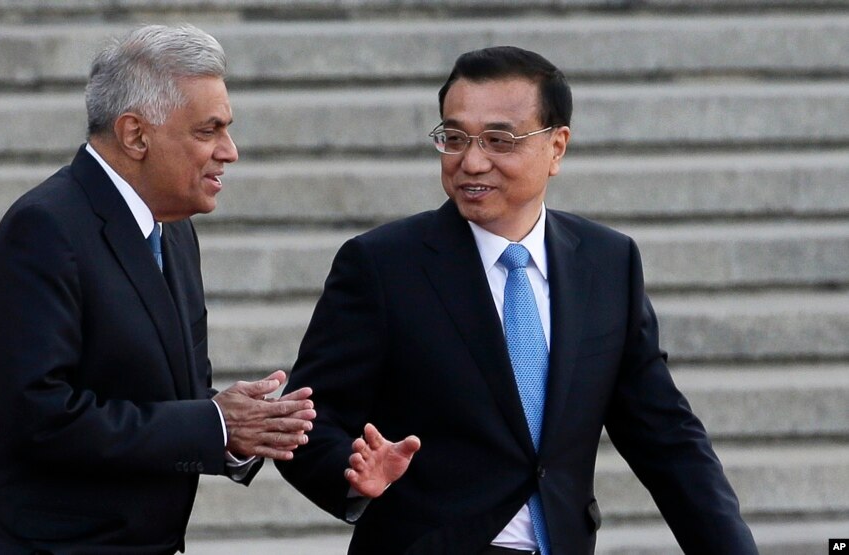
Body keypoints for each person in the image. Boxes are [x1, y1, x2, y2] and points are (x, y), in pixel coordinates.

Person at [275, 46, 757, 554]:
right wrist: (353, 472)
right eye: (454, 138)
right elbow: (305, 420)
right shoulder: (381, 266)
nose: (471, 161)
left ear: (557, 147)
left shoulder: (607, 263)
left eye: (499, 140)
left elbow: (667, 438)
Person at [0, 24, 315, 555]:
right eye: (208, 131)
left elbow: (169, 403)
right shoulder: (44, 229)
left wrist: (234, 429)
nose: (229, 151)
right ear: (136, 134)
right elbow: (40, 419)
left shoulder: (174, 230)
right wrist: (212, 424)